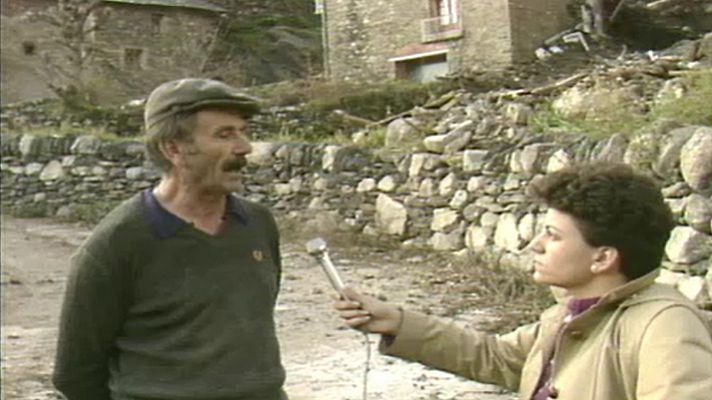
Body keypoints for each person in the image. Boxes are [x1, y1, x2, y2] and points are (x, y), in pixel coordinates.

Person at [335, 162, 712, 400]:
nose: (536, 244)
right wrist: (398, 322)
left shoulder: (663, 325)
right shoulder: (570, 315)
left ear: (603, 258)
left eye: (553, 235)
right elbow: (497, 357)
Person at [53, 78, 288, 400]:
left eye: (243, 131)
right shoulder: (117, 243)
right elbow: (76, 375)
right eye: (225, 134)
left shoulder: (257, 223)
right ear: (173, 148)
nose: (245, 147)